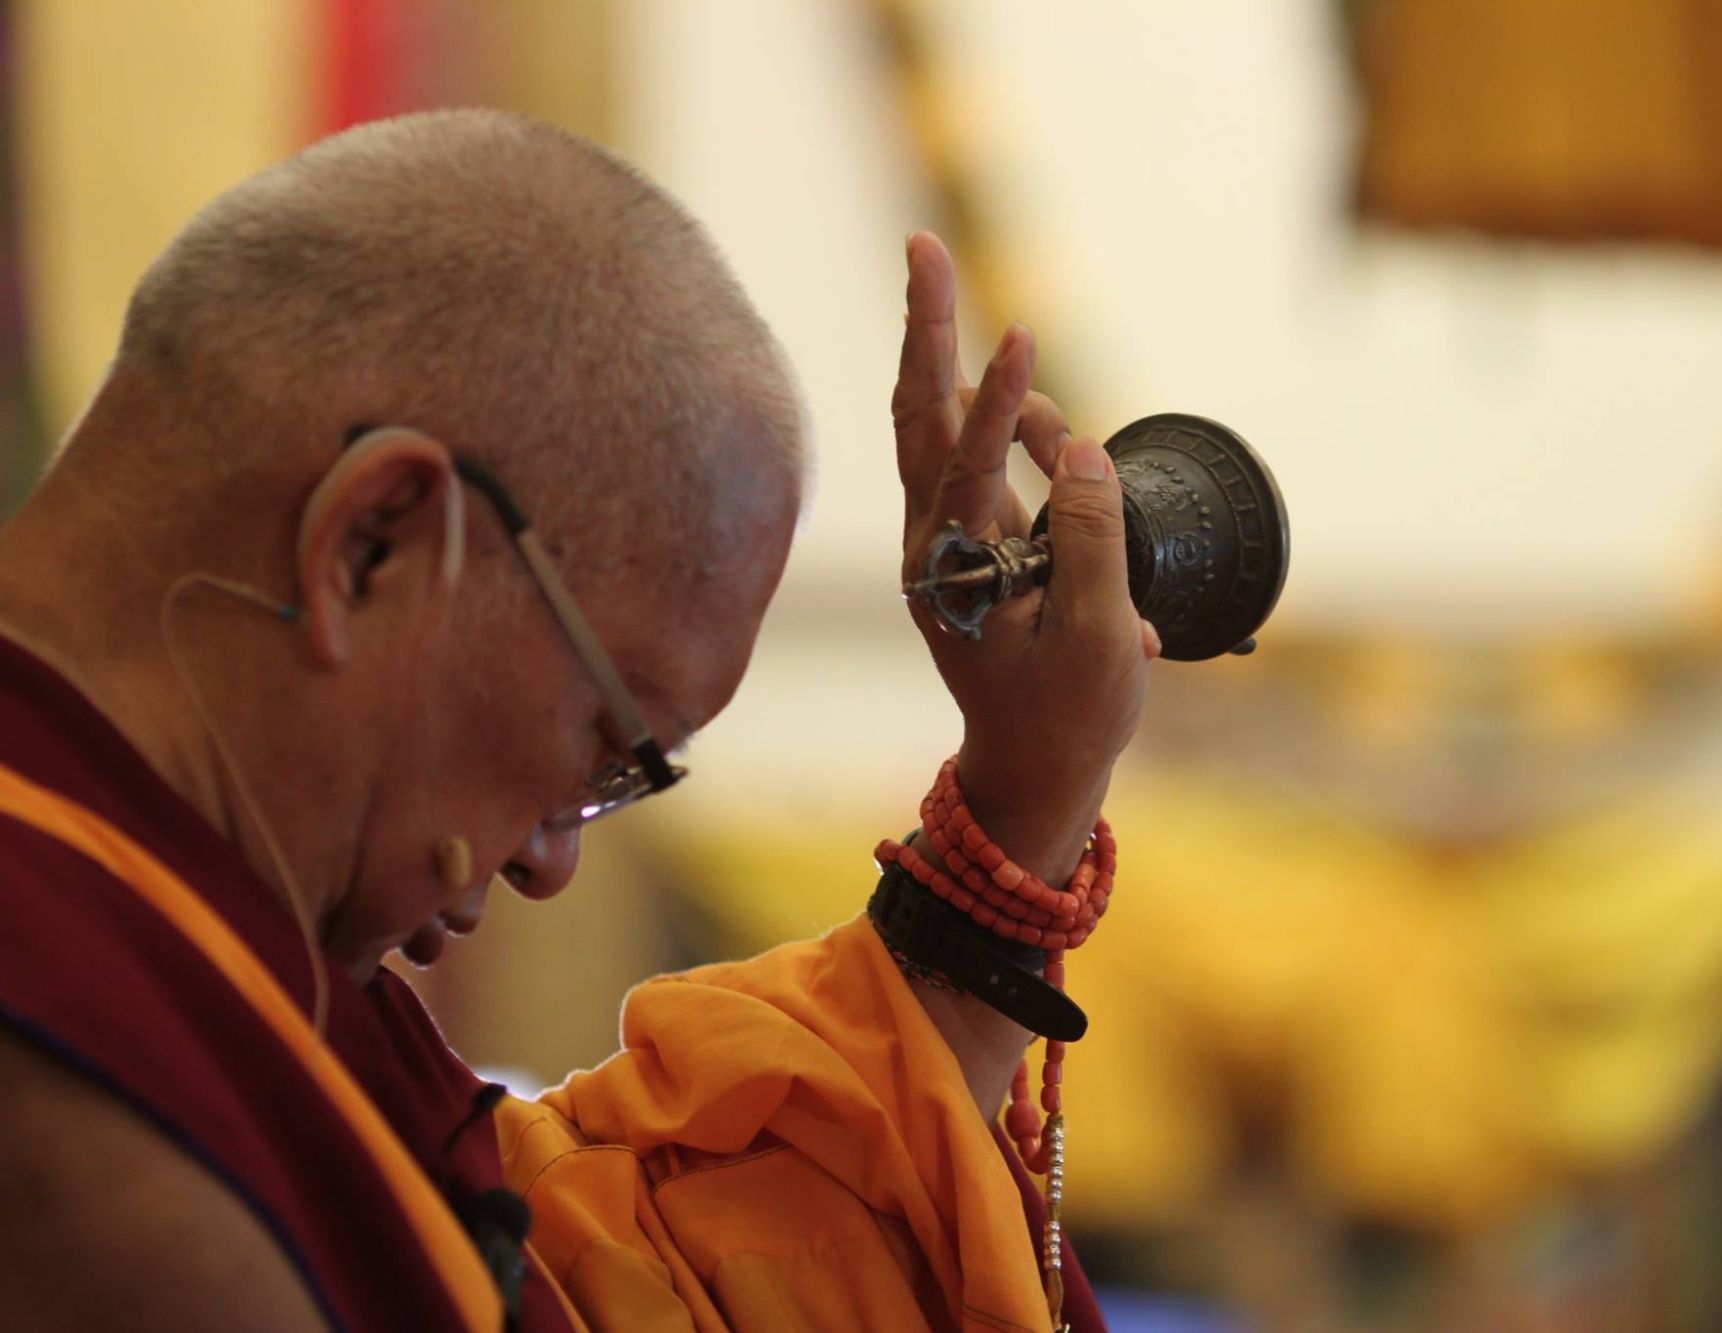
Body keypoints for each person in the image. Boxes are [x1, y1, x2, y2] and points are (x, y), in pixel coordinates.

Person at [0, 108, 1150, 1331]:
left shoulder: (200, 958)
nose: (551, 859)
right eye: (606, 750)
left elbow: (615, 1273)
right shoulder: (92, 1143)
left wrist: (1024, 796)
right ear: (373, 545)